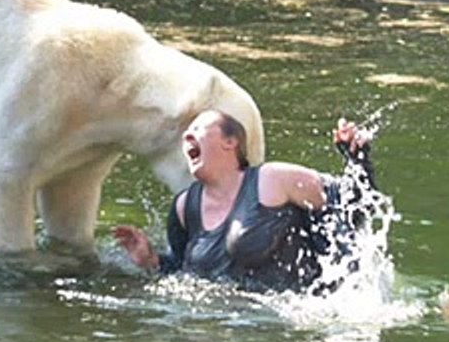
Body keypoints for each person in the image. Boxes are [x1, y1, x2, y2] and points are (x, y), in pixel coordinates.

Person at [114, 111, 380, 295]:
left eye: (197, 129)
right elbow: (183, 272)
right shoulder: (185, 207)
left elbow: (354, 205)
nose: (187, 138)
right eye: (186, 135)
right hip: (225, 331)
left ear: (231, 142)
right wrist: (151, 261)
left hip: (295, 322)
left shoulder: (274, 180)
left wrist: (357, 159)